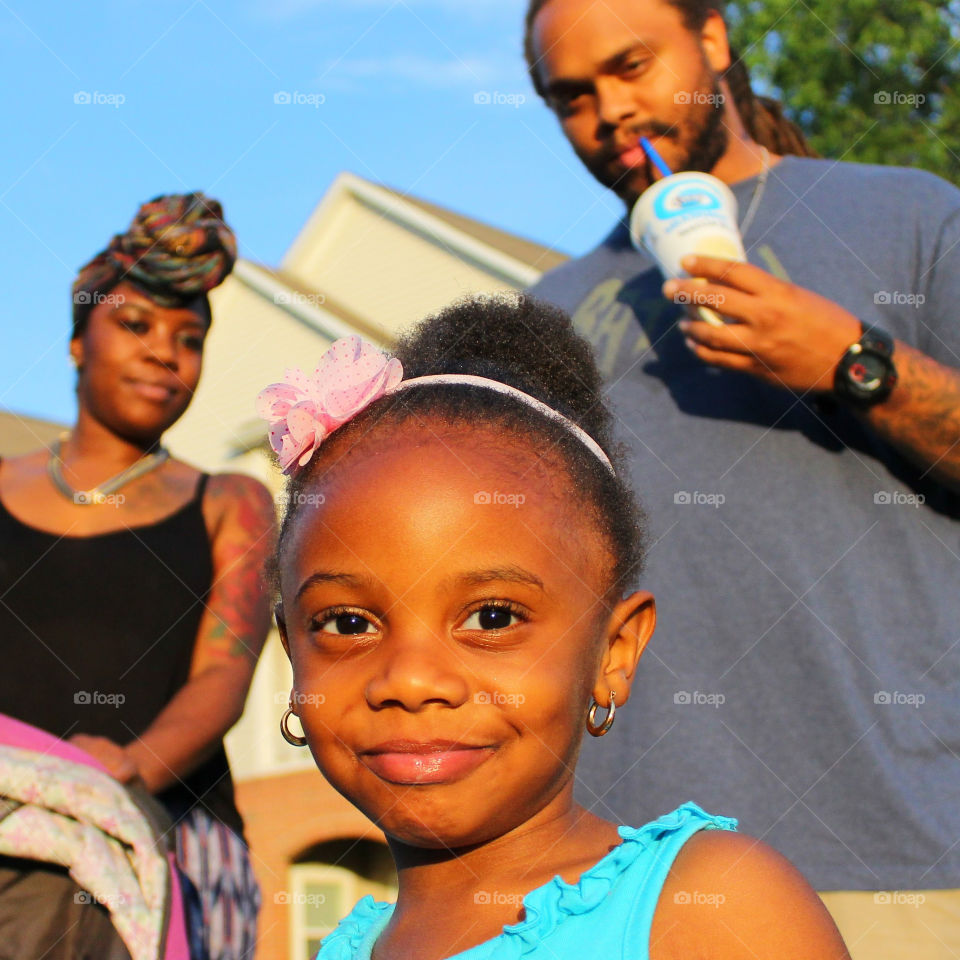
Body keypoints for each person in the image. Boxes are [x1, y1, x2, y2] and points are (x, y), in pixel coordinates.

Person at [521, 0, 960, 955]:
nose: (612, 113)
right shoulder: (544, 314)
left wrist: (851, 359)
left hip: (892, 859)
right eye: (573, 97)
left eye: (633, 65)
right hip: (619, 880)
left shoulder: (910, 212)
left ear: (713, 41)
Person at [259, 296, 850, 959]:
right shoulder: (338, 949)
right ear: (291, 655)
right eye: (346, 623)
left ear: (613, 652)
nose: (412, 679)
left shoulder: (705, 908)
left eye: (492, 617)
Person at [0, 192, 277, 960]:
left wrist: (129, 764)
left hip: (171, 842)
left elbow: (225, 675)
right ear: (76, 342)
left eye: (189, 340)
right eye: (135, 326)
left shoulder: (230, 501)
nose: (165, 353)